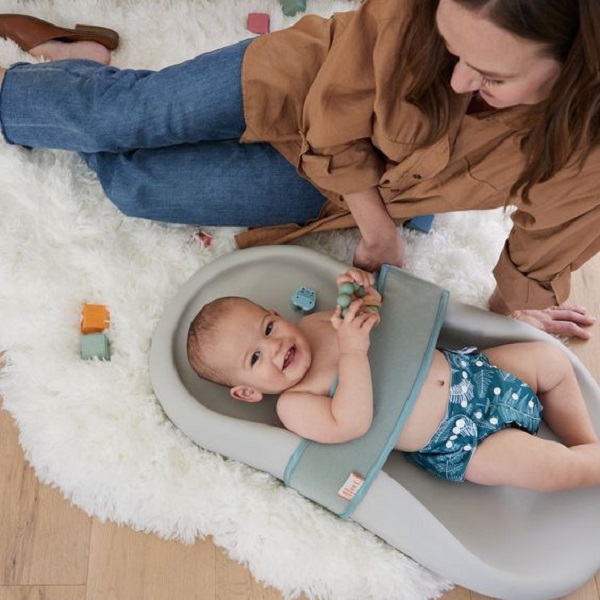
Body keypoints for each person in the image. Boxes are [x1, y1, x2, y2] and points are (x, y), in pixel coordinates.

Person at [0, 0, 598, 339]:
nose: (461, 82)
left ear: (576, 67)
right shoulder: (410, 13)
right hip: (301, 83)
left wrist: (514, 323)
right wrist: (379, 231)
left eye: (492, 77)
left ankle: (76, 80)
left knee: (135, 186)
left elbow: (540, 248)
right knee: (120, 118)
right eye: (453, 50)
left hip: (342, 184)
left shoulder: (586, 151)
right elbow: (336, 115)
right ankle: (61, 72)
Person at [186, 267, 600, 491]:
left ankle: (586, 442)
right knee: (549, 469)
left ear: (276, 315)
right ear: (247, 391)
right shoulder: (295, 403)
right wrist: (351, 351)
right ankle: (585, 464)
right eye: (256, 356)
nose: (274, 346)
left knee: (551, 361)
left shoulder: (315, 324)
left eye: (268, 328)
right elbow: (351, 423)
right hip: (460, 441)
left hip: (473, 370)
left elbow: (381, 323)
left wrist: (363, 293)